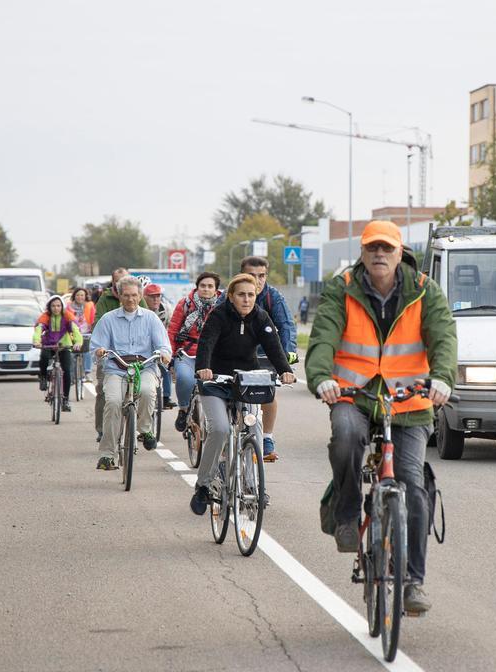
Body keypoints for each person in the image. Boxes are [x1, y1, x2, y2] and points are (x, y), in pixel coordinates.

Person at [306, 220, 457, 615]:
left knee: (411, 483)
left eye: (386, 248)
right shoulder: (342, 288)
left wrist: (443, 378)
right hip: (354, 394)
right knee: (345, 436)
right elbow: (324, 336)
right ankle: (346, 513)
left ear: (399, 252)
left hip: (409, 400)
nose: (379, 254)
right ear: (362, 252)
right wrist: (321, 377)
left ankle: (413, 582)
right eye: (372, 247)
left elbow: (444, 337)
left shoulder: (424, 289)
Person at [189, 273, 295, 515]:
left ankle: (252, 484)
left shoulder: (261, 317)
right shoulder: (219, 315)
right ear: (230, 296)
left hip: (246, 381)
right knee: (220, 429)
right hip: (215, 380)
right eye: (241, 295)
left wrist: (285, 371)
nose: (246, 299)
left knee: (254, 427)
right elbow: (206, 342)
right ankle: (203, 485)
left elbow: (274, 347)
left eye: (251, 295)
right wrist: (203, 368)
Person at [88, 276, 171, 470]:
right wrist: (99, 351)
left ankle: (145, 430)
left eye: (134, 295)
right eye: (126, 295)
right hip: (116, 369)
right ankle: (107, 455)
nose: (130, 299)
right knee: (113, 402)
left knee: (148, 391)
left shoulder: (151, 318)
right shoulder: (108, 319)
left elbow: (163, 345)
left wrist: (164, 354)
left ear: (140, 296)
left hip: (145, 367)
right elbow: (97, 346)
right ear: (119, 296)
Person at [240, 255, 297, 462]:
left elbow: (286, 326)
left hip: (265, 354)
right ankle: (228, 440)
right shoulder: (230, 295)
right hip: (235, 354)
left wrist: (288, 354)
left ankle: (267, 437)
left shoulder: (274, 297)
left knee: (268, 394)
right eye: (252, 275)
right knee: (230, 397)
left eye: (262, 275)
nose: (257, 280)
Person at [168, 272, 224, 431]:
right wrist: (170, 356)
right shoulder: (185, 304)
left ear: (216, 289)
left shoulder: (223, 306)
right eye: (203, 286)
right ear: (197, 287)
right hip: (187, 352)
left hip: (214, 353)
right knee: (185, 379)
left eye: (210, 286)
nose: (206, 289)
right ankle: (184, 409)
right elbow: (172, 331)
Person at [93, 268, 130, 442]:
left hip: (134, 353)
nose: (123, 283)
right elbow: (98, 322)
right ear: (113, 282)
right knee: (103, 389)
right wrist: (102, 347)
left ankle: (142, 425)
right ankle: (102, 429)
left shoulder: (137, 297)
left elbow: (147, 319)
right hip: (110, 352)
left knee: (149, 387)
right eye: (119, 281)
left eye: (126, 280)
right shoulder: (105, 298)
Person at [33, 296, 83, 411]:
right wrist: (36, 341)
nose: (56, 308)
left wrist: (78, 342)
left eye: (58, 306)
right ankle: (43, 377)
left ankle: (65, 400)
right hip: (49, 345)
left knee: (67, 371)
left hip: (64, 346)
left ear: (62, 307)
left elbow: (75, 329)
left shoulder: (67, 316)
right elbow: (39, 329)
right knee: (44, 357)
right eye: (53, 306)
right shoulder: (46, 316)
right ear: (49, 307)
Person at [144, 283, 176, 409]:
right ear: (145, 297)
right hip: (143, 345)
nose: (156, 299)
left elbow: (171, 329)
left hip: (160, 342)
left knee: (165, 366)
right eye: (152, 297)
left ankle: (166, 397)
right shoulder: (140, 309)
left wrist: (168, 349)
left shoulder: (166, 309)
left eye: (158, 296)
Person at [67, 287, 95, 377]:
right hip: (73, 334)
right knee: (71, 354)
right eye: (78, 295)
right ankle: (72, 375)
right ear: (74, 296)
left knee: (87, 351)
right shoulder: (68, 306)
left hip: (86, 333)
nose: (80, 297)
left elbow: (93, 318)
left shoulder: (90, 305)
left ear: (85, 296)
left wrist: (93, 330)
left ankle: (87, 372)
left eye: (82, 295)